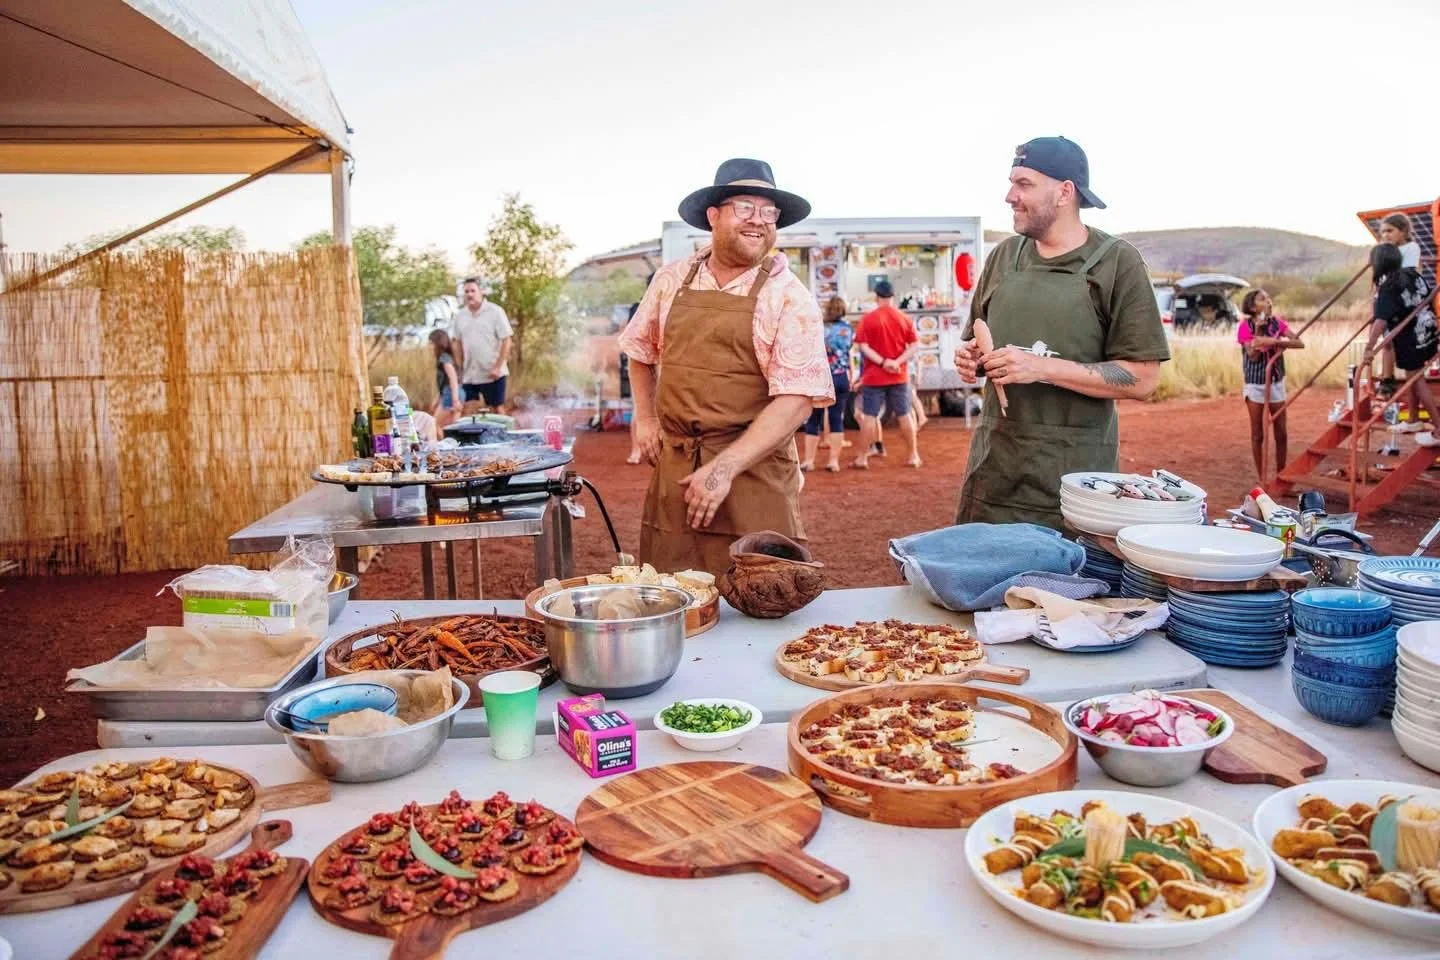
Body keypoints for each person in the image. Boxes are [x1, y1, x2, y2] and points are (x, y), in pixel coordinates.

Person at [618, 158, 832, 575]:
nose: (759, 221)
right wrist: (644, 418)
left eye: (769, 212)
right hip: (677, 468)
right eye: (746, 208)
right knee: (673, 596)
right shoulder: (671, 280)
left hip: (756, 474)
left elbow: (797, 401)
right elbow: (640, 352)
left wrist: (724, 468)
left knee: (762, 593)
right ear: (713, 216)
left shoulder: (788, 295)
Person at [952, 137, 1169, 529]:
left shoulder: (1116, 263)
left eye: (1024, 184)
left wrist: (1042, 368)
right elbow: (977, 340)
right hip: (995, 477)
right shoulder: (1004, 257)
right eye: (1011, 182)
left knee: (1069, 589)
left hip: (1077, 486)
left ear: (1065, 191)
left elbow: (1142, 377)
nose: (1009, 196)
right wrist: (972, 359)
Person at [1363, 242, 1440, 448]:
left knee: (1417, 378)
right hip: (1429, 331)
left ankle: (1439, 428)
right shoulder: (1413, 275)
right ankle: (1413, 420)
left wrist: (1369, 348)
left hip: (1411, 338)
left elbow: (1380, 321)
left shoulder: (1388, 287)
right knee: (1412, 375)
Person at [852, 279, 920, 468]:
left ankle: (862, 458)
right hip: (899, 374)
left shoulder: (867, 319)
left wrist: (883, 362)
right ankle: (913, 455)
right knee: (905, 415)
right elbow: (914, 345)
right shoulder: (904, 318)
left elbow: (863, 347)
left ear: (876, 297)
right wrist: (896, 362)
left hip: (874, 376)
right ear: (893, 296)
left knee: (870, 416)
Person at [1236, 289, 1303, 480]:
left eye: (1268, 298)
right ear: (1251, 306)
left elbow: (1299, 343)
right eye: (1262, 299)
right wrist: (1258, 333)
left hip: (1275, 382)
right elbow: (1253, 356)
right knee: (1257, 433)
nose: (1268, 301)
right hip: (1255, 384)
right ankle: (1262, 478)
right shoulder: (1245, 326)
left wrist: (1274, 341)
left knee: (1281, 431)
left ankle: (1281, 475)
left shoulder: (1277, 323)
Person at [801, 296, 854, 472]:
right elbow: (849, 354)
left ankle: (809, 461)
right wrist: (851, 375)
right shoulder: (847, 330)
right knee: (836, 418)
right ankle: (833, 462)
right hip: (840, 377)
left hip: (819, 378)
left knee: (814, 419)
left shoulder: (817, 328)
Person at [1376, 213, 1423, 401]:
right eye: (1382, 232)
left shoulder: (1411, 248)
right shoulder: (1385, 250)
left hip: (1400, 299)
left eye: (1390, 231)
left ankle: (1408, 374)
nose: (1385, 235)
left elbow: (1405, 273)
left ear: (1403, 231)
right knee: (1387, 339)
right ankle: (1387, 380)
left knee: (1398, 338)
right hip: (1386, 296)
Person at [450, 277, 513, 409]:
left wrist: (497, 367)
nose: (469, 294)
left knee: (496, 409)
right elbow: (456, 342)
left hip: (492, 373)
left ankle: (503, 430)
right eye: (466, 292)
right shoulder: (460, 316)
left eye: (473, 291)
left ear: (481, 291)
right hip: (470, 374)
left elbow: (507, 339)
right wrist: (459, 366)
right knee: (469, 410)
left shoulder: (495, 312)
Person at [428, 329, 462, 430]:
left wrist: (455, 400)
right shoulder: (447, 357)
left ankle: (443, 444)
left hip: (451, 394)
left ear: (437, 343)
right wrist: (438, 398)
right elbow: (445, 382)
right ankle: (449, 444)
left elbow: (453, 379)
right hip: (454, 393)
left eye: (431, 343)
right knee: (453, 427)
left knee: (433, 424)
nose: (429, 346)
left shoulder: (444, 359)